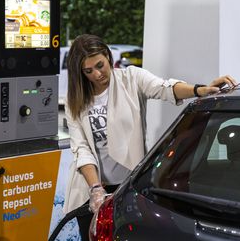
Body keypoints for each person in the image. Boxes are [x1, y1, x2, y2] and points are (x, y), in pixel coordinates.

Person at [62, 34, 237, 240]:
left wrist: (200, 90)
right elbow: (81, 148)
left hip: (126, 188)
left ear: (108, 57)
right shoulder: (74, 99)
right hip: (91, 191)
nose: (97, 74)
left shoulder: (131, 78)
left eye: (100, 65)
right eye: (88, 71)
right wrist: (96, 189)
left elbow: (165, 88)